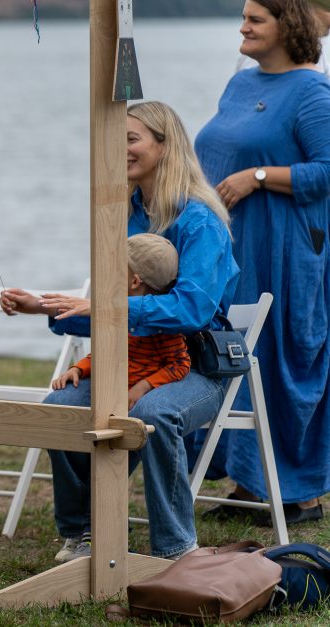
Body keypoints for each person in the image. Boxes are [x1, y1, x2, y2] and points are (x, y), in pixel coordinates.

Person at [0, 101, 239, 561]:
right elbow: (114, 307)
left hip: (190, 364)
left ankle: (176, 550)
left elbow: (191, 309)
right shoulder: (123, 213)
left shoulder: (199, 221)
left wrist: (108, 306)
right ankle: (84, 533)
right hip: (127, 356)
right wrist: (45, 306)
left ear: (164, 147)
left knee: (154, 412)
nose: (120, 149)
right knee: (60, 408)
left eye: (130, 138)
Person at [195, 0, 330, 525]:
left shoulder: (313, 92)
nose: (243, 26)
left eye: (256, 19)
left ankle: (298, 492)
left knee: (277, 354)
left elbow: (326, 171)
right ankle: (248, 479)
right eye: (244, 16)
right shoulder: (239, 86)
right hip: (231, 245)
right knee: (232, 349)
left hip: (285, 246)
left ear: (287, 27)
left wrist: (256, 178)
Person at [52, 233, 191, 415]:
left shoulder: (161, 326)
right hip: (111, 387)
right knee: (56, 405)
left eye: (118, 269)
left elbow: (180, 364)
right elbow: (105, 353)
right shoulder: (120, 310)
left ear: (134, 281)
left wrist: (143, 387)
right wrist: (79, 369)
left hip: (139, 396)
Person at [236, 6, 330, 75]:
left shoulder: (316, 51)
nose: (243, 29)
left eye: (255, 20)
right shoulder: (261, 54)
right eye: (328, 8)